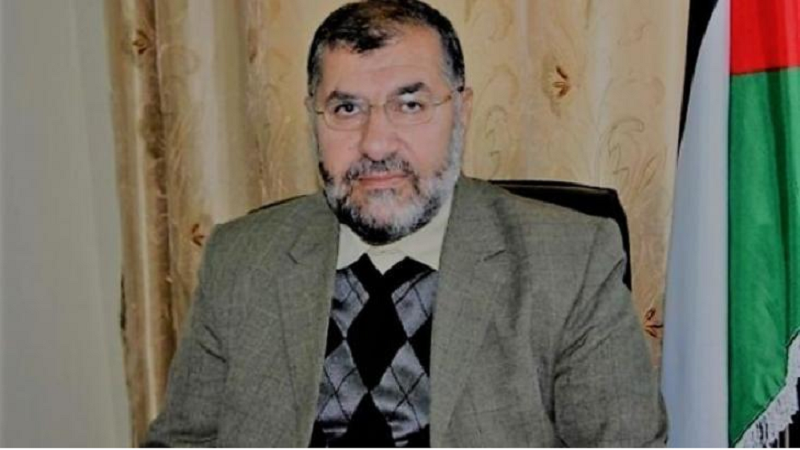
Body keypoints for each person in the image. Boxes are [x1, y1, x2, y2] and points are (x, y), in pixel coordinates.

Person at [144, 0, 667, 446]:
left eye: (410, 104)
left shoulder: (570, 261)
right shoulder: (240, 260)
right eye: (346, 109)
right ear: (313, 118)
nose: (375, 144)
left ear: (461, 111)